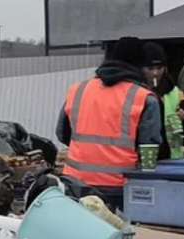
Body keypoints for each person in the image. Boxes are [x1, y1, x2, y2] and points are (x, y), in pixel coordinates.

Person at [56, 37, 162, 210]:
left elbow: (62, 133)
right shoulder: (144, 97)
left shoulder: (79, 90)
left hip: (75, 182)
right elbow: (149, 146)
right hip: (120, 186)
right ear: (140, 64)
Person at [142, 42, 184, 160]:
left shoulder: (176, 92)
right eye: (150, 68)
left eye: (159, 68)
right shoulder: (136, 93)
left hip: (175, 160)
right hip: (148, 159)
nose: (155, 73)